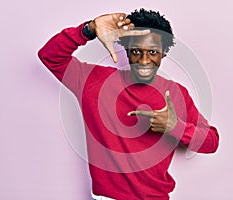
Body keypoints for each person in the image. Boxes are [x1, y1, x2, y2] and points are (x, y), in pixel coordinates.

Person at [38, 8, 219, 200]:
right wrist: (88, 29)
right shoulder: (93, 81)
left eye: (152, 52)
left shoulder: (176, 94)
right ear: (126, 50)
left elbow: (211, 142)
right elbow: (50, 56)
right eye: (136, 51)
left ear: (164, 53)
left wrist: (176, 127)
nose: (144, 60)